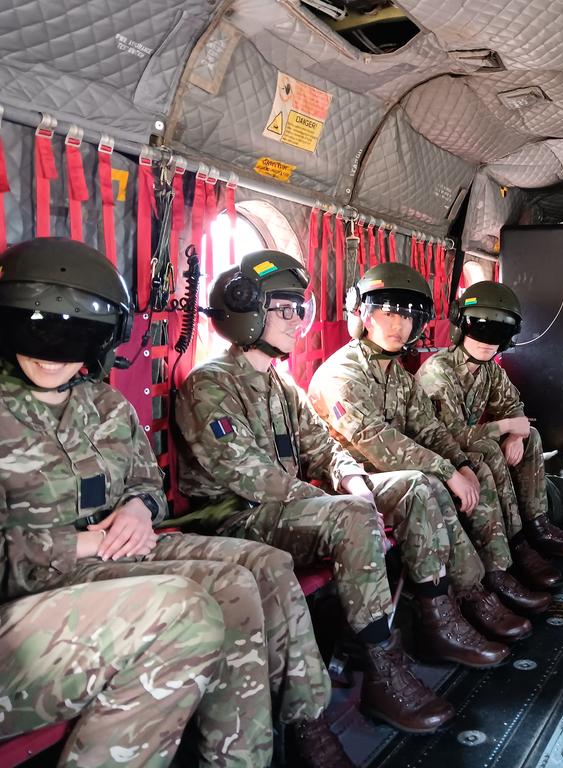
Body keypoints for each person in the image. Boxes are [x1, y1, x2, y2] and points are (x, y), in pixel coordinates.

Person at [0, 237, 349, 768]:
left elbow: (145, 484)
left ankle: (249, 753)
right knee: (186, 609)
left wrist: (140, 509)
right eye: (37, 330)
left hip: (120, 553)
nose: (53, 353)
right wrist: (87, 541)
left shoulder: (107, 404)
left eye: (77, 335)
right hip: (45, 579)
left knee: (251, 572)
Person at [175, 251, 508, 734]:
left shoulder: (281, 384)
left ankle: (441, 614)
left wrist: (353, 481)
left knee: (413, 486)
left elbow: (324, 449)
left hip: (292, 506)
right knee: (352, 516)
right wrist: (344, 503)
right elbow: (250, 476)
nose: (296, 322)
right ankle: (379, 666)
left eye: (298, 309)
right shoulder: (211, 385)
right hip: (241, 516)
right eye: (282, 310)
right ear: (247, 313)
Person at [308, 263, 554, 625]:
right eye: (389, 314)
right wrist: (447, 471)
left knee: (470, 470)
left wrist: (460, 464)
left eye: (408, 318)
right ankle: (461, 601)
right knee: (429, 486)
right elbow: (377, 441)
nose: (399, 326)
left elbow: (430, 429)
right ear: (363, 314)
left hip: (392, 472)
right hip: (353, 480)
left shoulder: (398, 375)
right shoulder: (342, 373)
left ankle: (497, 572)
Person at [415, 280, 563, 564]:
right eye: (479, 329)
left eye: (499, 332)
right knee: (488, 448)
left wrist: (516, 434)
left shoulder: (488, 370)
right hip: (441, 453)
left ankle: (538, 525)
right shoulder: (439, 372)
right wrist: (507, 427)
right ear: (461, 327)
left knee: (531, 435)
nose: (487, 341)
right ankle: (515, 544)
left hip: (466, 444)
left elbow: (514, 407)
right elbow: (450, 436)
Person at [0, 576, 226, 768]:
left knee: (232, 583)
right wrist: (81, 543)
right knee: (188, 610)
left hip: (62, 559)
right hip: (50, 564)